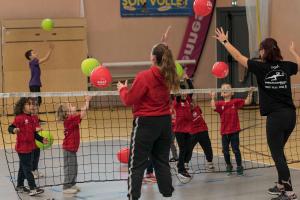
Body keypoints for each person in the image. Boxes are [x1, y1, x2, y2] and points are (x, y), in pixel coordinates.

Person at [214, 27, 300, 200]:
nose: (259, 52)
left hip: (276, 118)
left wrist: (224, 41)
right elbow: (299, 64)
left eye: (260, 49)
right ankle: (281, 185)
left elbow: (238, 56)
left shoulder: (261, 67)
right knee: (279, 153)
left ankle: (289, 192)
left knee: (277, 155)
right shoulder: (286, 66)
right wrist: (293, 52)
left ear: (264, 51)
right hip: (291, 116)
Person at [117, 42, 179, 200]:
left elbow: (129, 99)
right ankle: (167, 193)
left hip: (146, 124)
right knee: (161, 161)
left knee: (136, 164)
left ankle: (133, 196)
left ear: (152, 58)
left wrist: (122, 90)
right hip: (165, 123)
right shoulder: (169, 75)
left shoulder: (144, 76)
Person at [210, 83, 253, 175]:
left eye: (227, 88)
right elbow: (213, 107)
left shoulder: (235, 102)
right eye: (223, 89)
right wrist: (212, 97)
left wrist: (250, 93)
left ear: (232, 92)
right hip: (224, 132)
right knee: (225, 151)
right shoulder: (220, 103)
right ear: (221, 93)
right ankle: (229, 165)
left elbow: (247, 102)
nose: (225, 89)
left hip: (234, 131)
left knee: (236, 149)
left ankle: (239, 166)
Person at [8, 97, 47, 196]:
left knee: (23, 166)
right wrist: (14, 130)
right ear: (22, 107)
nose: (31, 106)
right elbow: (10, 127)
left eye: (31, 104)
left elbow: (34, 134)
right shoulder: (19, 118)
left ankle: (20, 186)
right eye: (29, 104)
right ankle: (33, 188)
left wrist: (42, 139)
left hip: (30, 147)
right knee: (27, 168)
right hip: (22, 148)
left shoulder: (32, 118)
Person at [57, 96, 92, 194]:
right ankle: (66, 186)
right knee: (70, 167)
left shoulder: (72, 118)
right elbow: (83, 114)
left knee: (74, 167)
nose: (73, 106)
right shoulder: (70, 119)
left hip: (72, 148)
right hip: (68, 148)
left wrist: (85, 104)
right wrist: (87, 101)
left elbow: (81, 114)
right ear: (67, 112)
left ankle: (72, 184)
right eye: (71, 106)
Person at [186, 98, 214, 172]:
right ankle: (185, 163)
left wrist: (193, 103)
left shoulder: (197, 108)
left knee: (207, 147)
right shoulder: (186, 112)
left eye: (192, 102)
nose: (191, 104)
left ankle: (210, 162)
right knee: (188, 148)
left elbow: (200, 112)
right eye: (189, 103)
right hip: (192, 132)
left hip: (203, 130)